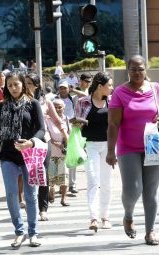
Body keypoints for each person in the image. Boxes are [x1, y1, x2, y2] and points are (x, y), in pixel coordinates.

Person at [107, 55, 159, 245]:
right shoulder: (119, 92)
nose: (137, 72)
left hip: (153, 145)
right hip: (128, 147)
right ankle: (128, 215)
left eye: (140, 68)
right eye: (133, 69)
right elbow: (113, 124)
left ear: (146, 69)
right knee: (133, 189)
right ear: (128, 70)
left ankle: (150, 231)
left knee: (150, 191)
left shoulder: (155, 88)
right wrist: (111, 151)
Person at [0, 71, 45, 248]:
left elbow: (42, 130)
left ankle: (33, 232)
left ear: (23, 85)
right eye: (10, 85)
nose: (13, 88)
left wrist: (30, 142)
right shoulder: (2, 106)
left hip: (30, 155)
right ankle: (19, 232)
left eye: (16, 84)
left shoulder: (33, 104)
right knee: (12, 196)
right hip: (8, 156)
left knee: (30, 196)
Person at [25, 73, 68, 221]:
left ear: (37, 85)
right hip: (26, 142)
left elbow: (56, 120)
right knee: (29, 175)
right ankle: (30, 204)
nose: (26, 86)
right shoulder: (20, 101)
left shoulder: (45, 102)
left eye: (30, 83)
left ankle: (43, 209)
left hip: (44, 140)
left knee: (43, 174)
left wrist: (65, 134)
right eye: (25, 83)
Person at [74, 72, 113, 232]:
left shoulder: (112, 102)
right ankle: (94, 218)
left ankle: (105, 216)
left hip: (108, 146)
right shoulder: (83, 102)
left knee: (106, 183)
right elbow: (75, 125)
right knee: (93, 181)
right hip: (89, 145)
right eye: (109, 85)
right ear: (99, 86)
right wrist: (78, 122)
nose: (112, 88)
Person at [55, 81, 79, 194]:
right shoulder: (53, 99)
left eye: (65, 88)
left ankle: (72, 185)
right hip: (58, 131)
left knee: (72, 160)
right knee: (60, 159)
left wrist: (73, 90)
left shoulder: (73, 99)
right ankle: (61, 185)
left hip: (71, 131)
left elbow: (86, 95)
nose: (63, 90)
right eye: (61, 88)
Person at [46, 99, 70, 206]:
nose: (57, 109)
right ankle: (51, 192)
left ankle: (63, 198)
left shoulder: (67, 120)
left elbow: (69, 134)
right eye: (55, 107)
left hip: (63, 152)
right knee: (51, 176)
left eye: (60, 107)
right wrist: (55, 143)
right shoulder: (47, 120)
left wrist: (63, 144)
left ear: (64, 107)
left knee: (64, 176)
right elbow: (45, 134)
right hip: (50, 152)